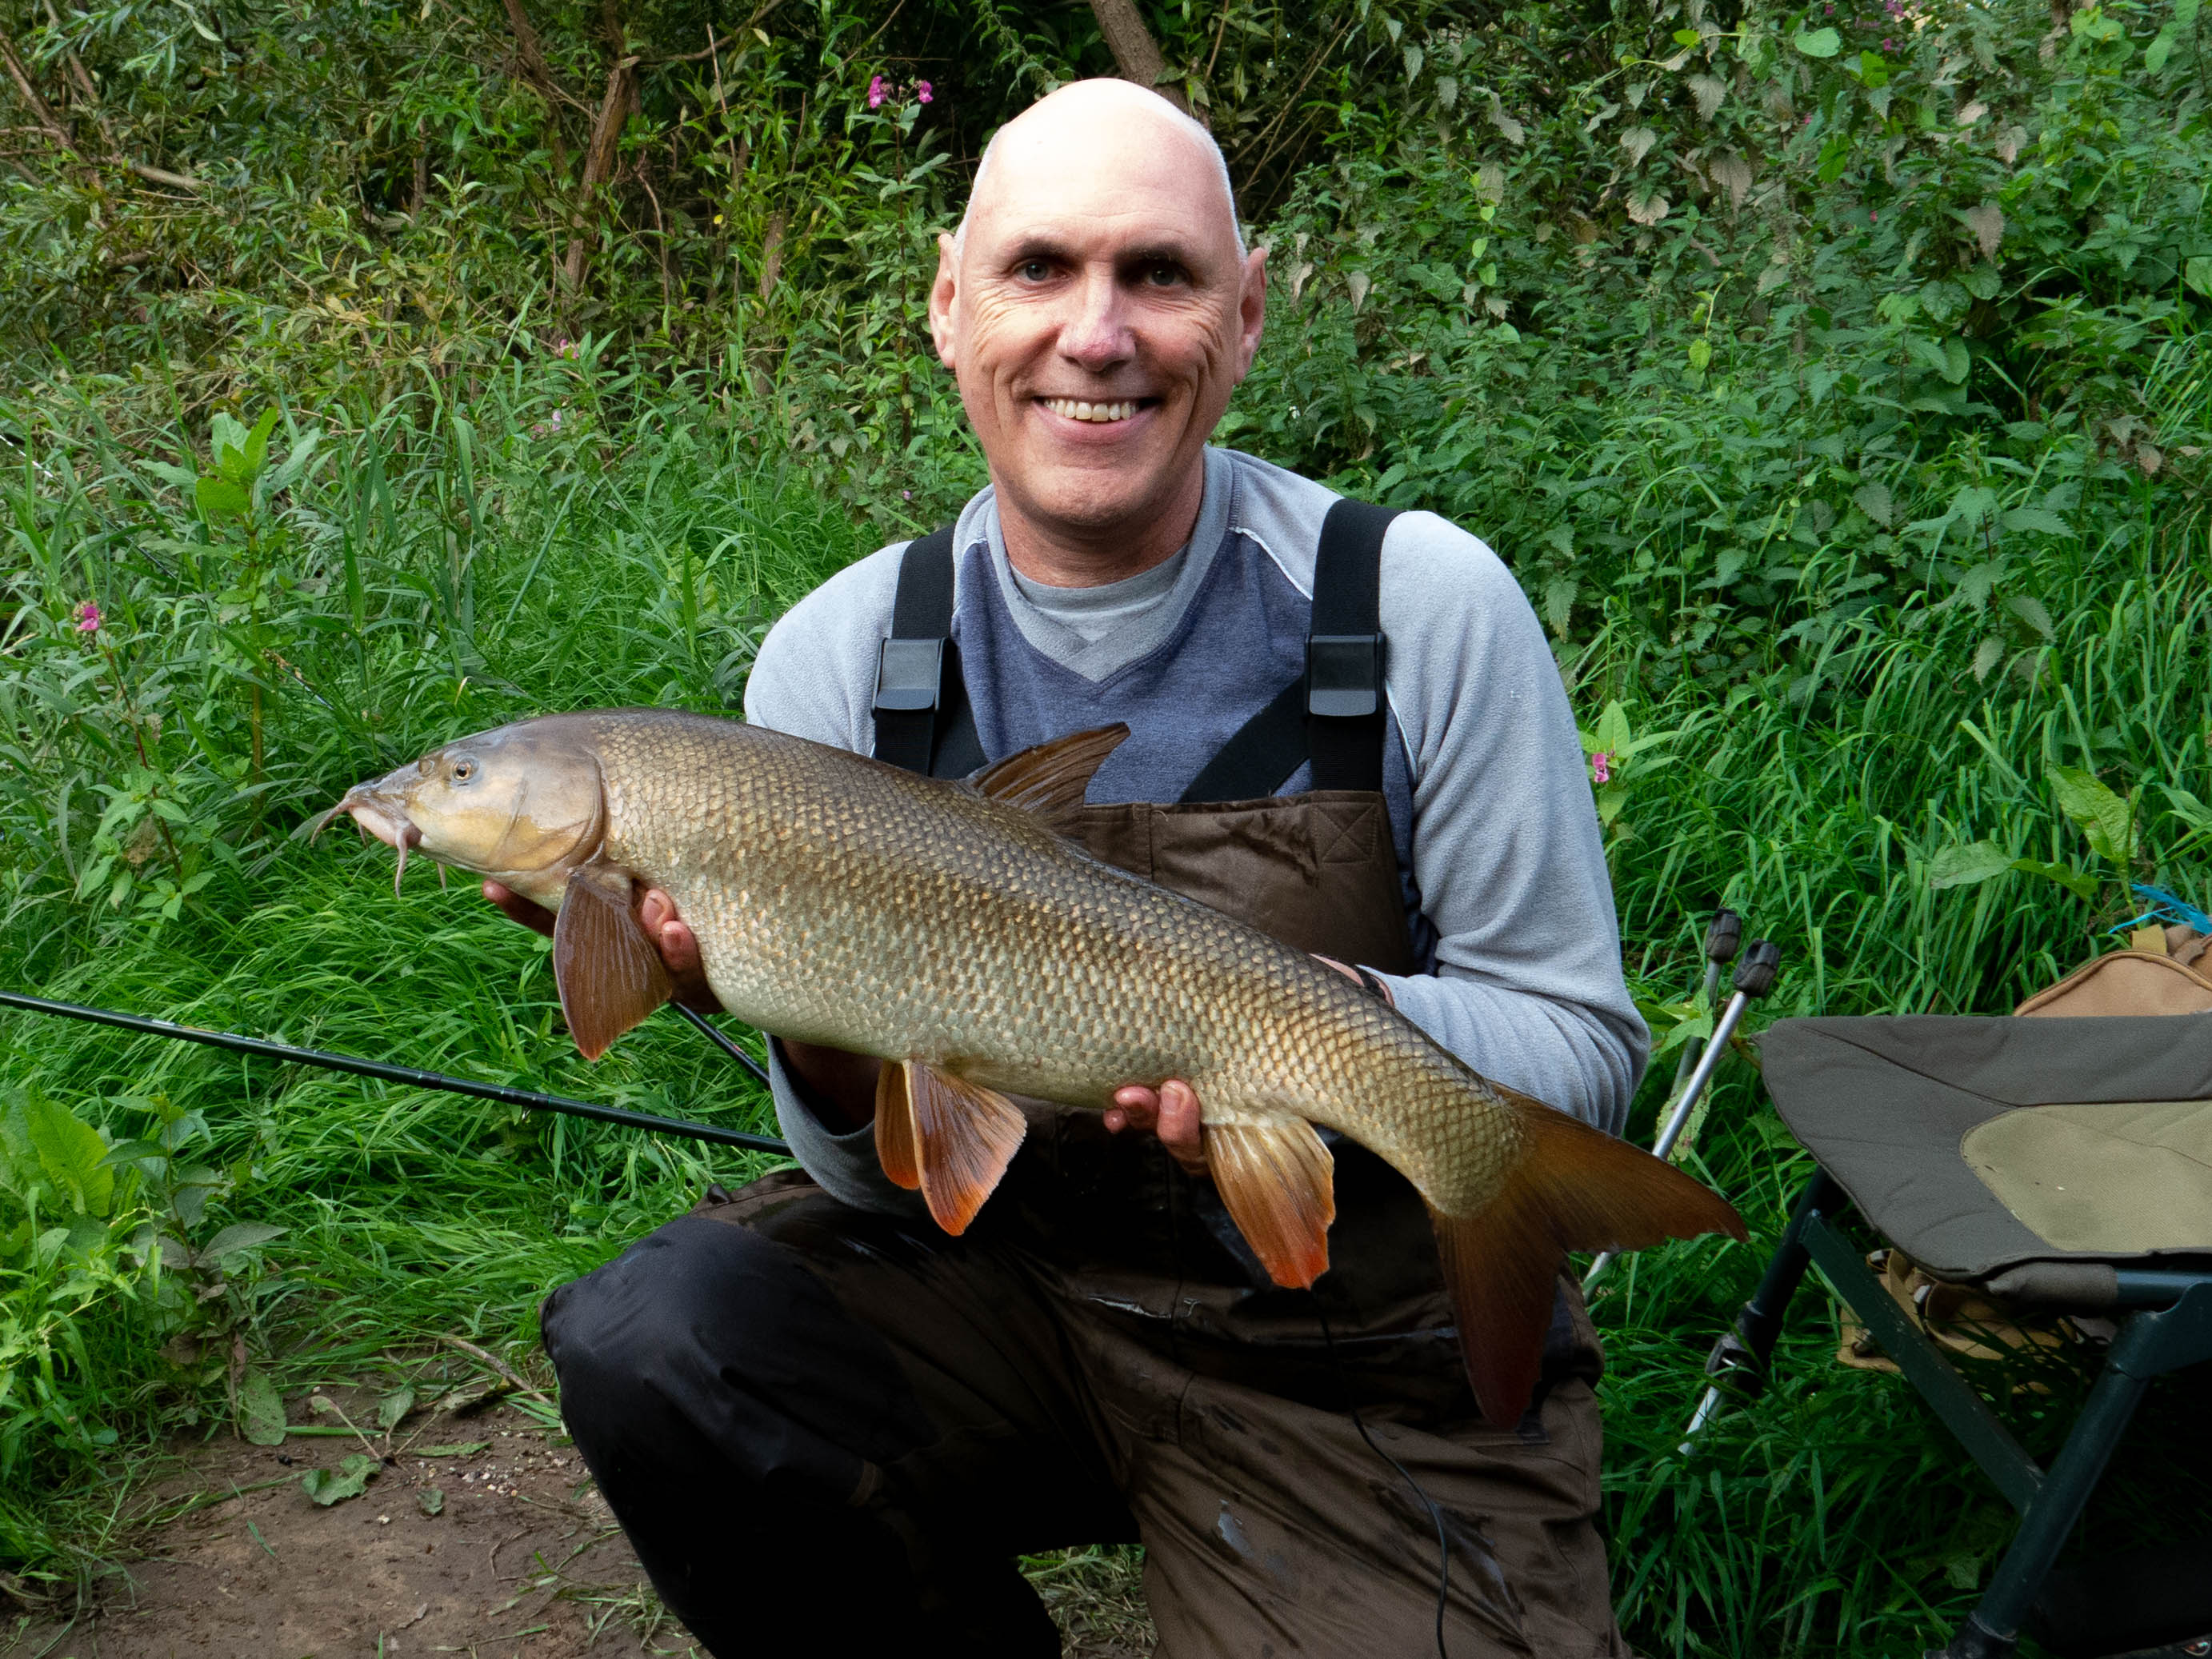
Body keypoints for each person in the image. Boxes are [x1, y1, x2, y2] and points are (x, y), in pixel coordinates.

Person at [514, 78, 1648, 1657]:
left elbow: (1587, 1066)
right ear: (948, 302)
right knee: (665, 1336)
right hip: (1013, 1301)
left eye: (1160, 275)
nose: (1095, 333)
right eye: (1039, 268)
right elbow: (864, 1177)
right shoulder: (840, 660)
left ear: (1245, 317)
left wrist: (1305, 1025)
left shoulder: (1421, 606)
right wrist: (818, 1023)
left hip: (1347, 1352)